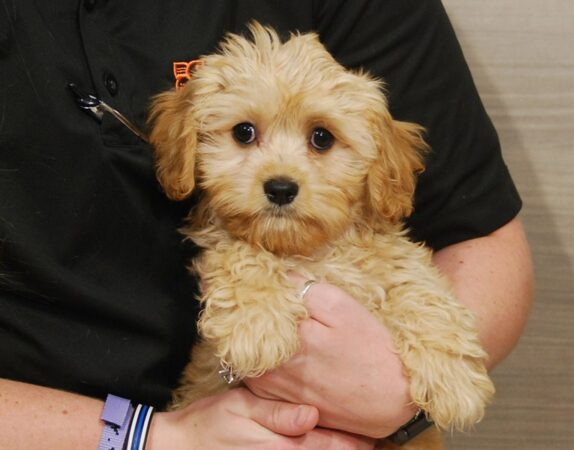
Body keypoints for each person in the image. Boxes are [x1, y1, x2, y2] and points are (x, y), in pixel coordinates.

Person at [0, 1, 533, 448]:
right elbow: (248, 340)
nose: (281, 176)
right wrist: (151, 437)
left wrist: (403, 390)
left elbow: (475, 233)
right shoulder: (231, 255)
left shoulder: (387, 237)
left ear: (379, 164)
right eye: (245, 133)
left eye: (321, 139)